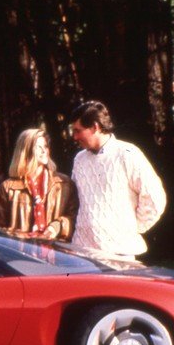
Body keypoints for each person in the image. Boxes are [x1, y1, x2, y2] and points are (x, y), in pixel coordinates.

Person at [68, 101, 166, 259]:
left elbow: (154, 197)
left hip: (119, 254)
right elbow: (75, 200)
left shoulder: (127, 153)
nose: (75, 137)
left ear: (95, 127)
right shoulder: (79, 159)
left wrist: (133, 228)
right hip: (83, 253)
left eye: (78, 131)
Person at [0, 128, 77, 240]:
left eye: (45, 146)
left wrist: (57, 226)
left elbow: (75, 220)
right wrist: (21, 237)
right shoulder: (8, 188)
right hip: (20, 254)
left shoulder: (64, 184)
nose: (44, 151)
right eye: (39, 147)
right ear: (26, 150)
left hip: (57, 253)